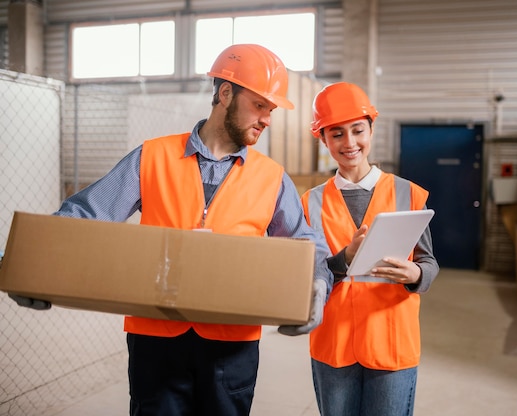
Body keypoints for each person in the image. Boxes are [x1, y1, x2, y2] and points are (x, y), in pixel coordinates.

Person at [9, 43, 333, 416]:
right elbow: (84, 215)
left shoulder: (271, 178)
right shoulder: (152, 157)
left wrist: (317, 286)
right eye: (260, 105)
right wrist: (27, 266)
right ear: (225, 93)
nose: (267, 119)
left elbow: (306, 244)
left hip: (233, 343)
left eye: (271, 110)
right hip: (156, 339)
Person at [299, 82, 439, 416]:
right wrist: (344, 259)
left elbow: (429, 264)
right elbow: (303, 274)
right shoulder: (311, 202)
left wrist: (416, 273)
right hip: (334, 343)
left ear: (372, 129)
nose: (349, 143)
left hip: (391, 340)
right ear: (322, 139)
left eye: (358, 130)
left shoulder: (407, 194)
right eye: (336, 134)